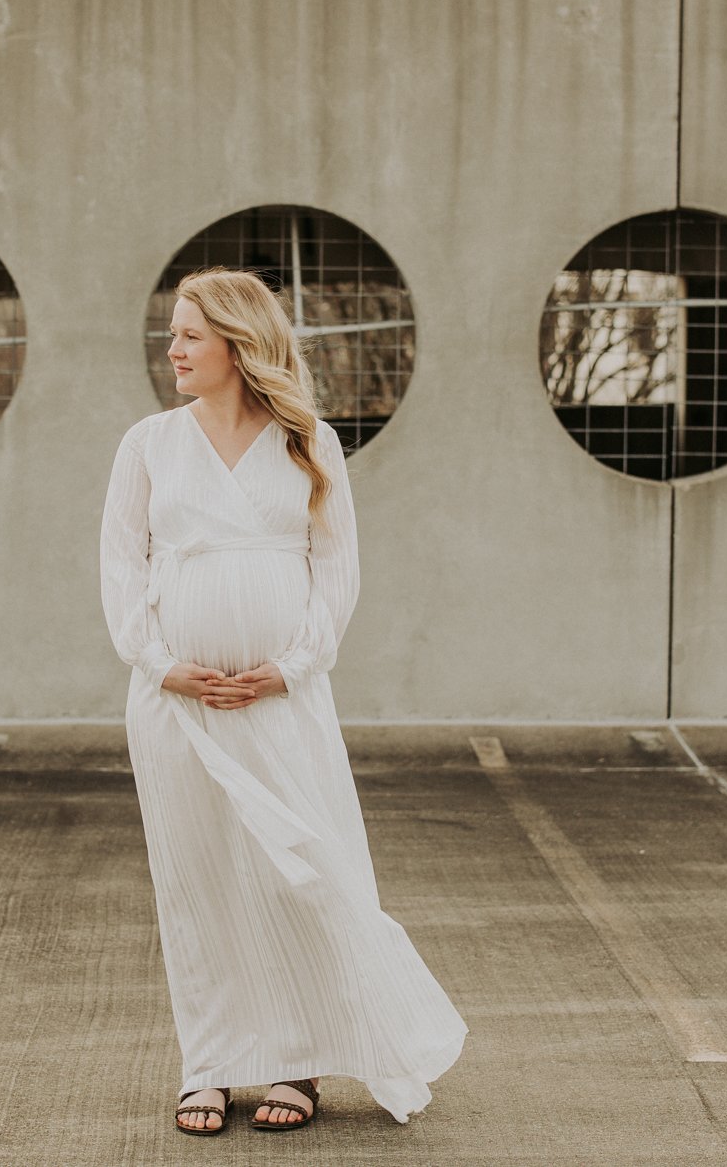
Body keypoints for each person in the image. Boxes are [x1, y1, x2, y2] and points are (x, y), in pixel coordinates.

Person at [99, 267, 467, 1137]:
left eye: (190, 334)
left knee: (300, 874)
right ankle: (211, 1065)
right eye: (175, 334)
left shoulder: (309, 441)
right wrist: (160, 664)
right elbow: (121, 565)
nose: (174, 349)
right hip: (178, 706)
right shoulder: (148, 443)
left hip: (282, 704)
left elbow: (336, 569)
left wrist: (291, 666)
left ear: (237, 342)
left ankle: (296, 1063)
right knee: (199, 883)